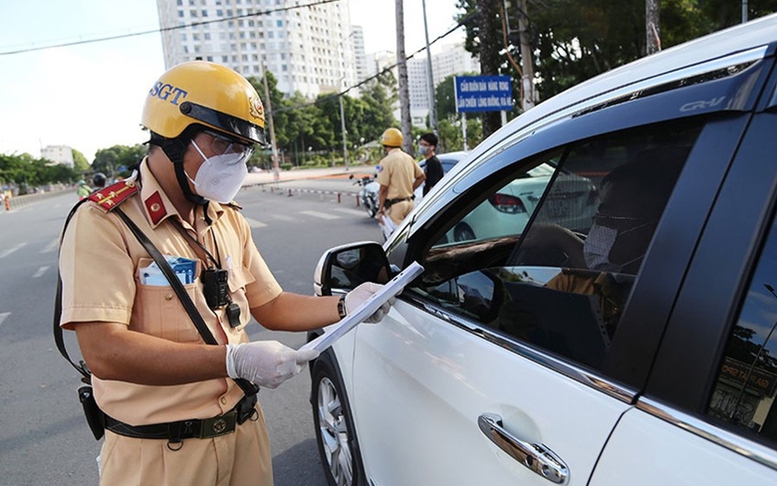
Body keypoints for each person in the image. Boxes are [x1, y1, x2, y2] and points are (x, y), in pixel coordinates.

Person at [57, 61, 390, 486]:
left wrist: (346, 305)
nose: (236, 162)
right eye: (222, 143)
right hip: (159, 457)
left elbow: (269, 304)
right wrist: (234, 359)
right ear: (174, 136)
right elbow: (104, 350)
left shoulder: (226, 219)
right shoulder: (106, 222)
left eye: (243, 150)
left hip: (245, 437)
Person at [375, 127, 425, 227]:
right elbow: (422, 176)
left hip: (395, 207)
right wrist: (411, 189)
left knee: (396, 239)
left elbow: (383, 188)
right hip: (410, 203)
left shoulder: (386, 161)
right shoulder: (408, 158)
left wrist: (380, 210)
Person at [418, 132, 443, 196]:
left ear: (432, 147)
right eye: (420, 144)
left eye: (425, 145)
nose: (421, 147)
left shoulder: (433, 163)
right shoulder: (428, 162)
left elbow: (433, 186)